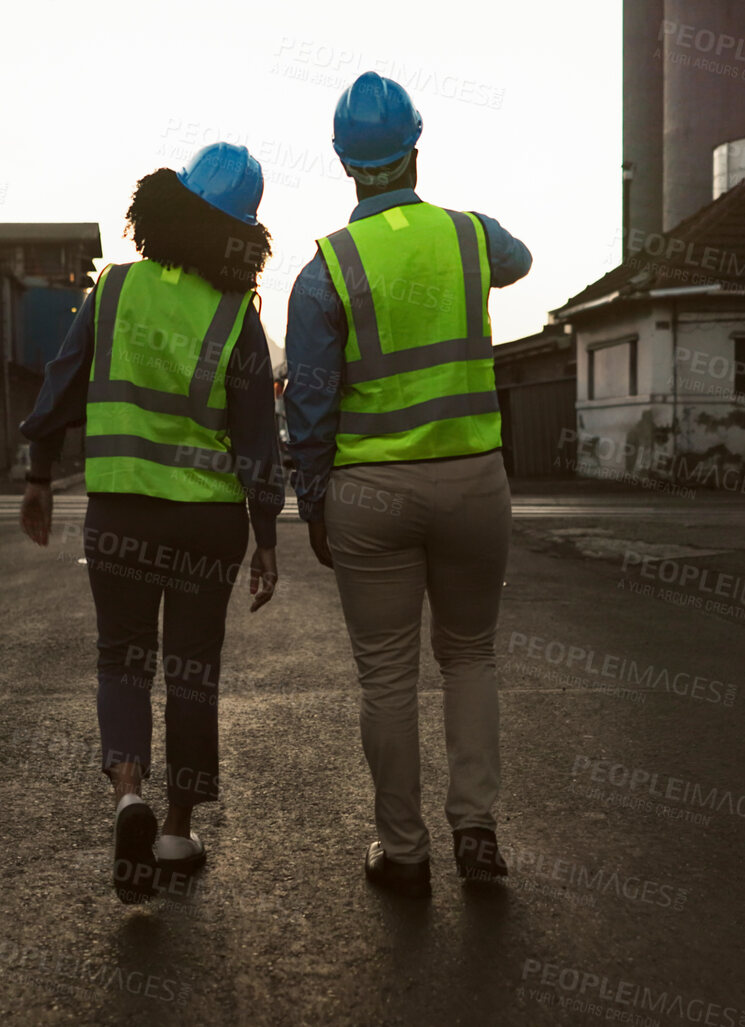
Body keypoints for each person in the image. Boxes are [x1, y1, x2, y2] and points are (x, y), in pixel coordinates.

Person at [284, 72, 532, 899]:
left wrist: (312, 501)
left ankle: (403, 852)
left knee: (386, 674)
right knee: (468, 655)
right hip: (472, 481)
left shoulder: (325, 270)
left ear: (344, 164)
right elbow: (519, 259)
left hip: (371, 491)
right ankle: (477, 831)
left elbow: (310, 405)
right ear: (415, 151)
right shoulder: (469, 238)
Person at [20, 142, 284, 904]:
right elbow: (258, 440)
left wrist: (39, 475)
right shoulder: (236, 314)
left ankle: (127, 795)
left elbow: (59, 385)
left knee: (121, 660)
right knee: (191, 672)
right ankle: (173, 831)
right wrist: (266, 534)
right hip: (208, 523)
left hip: (120, 510)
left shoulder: (114, 288)